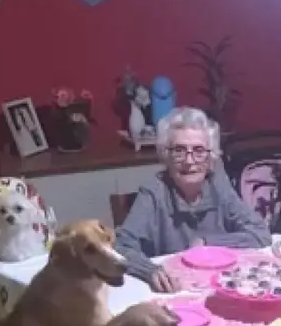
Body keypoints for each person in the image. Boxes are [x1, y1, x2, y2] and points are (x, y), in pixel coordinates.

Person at [115, 107, 271, 292]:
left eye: (198, 150)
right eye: (179, 150)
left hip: (217, 285)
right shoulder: (153, 193)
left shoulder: (218, 185)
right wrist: (150, 271)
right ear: (167, 155)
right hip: (172, 291)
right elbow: (121, 247)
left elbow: (260, 233)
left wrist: (207, 243)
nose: (189, 161)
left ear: (210, 157)